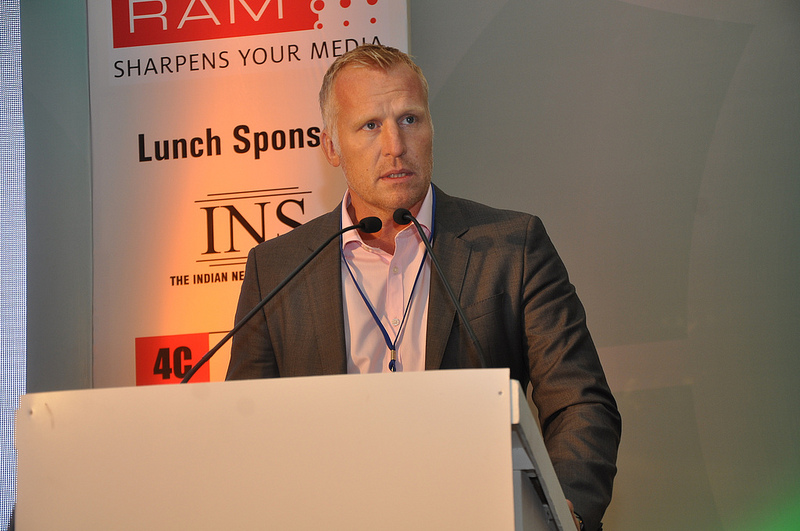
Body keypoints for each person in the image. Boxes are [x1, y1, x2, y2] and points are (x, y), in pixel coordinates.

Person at [227, 44, 621, 531]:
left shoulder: (511, 246)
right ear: (331, 146)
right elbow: (245, 430)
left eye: (410, 119)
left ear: (432, 128)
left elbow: (579, 401)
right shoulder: (277, 269)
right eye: (370, 125)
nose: (395, 145)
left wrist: (563, 514)